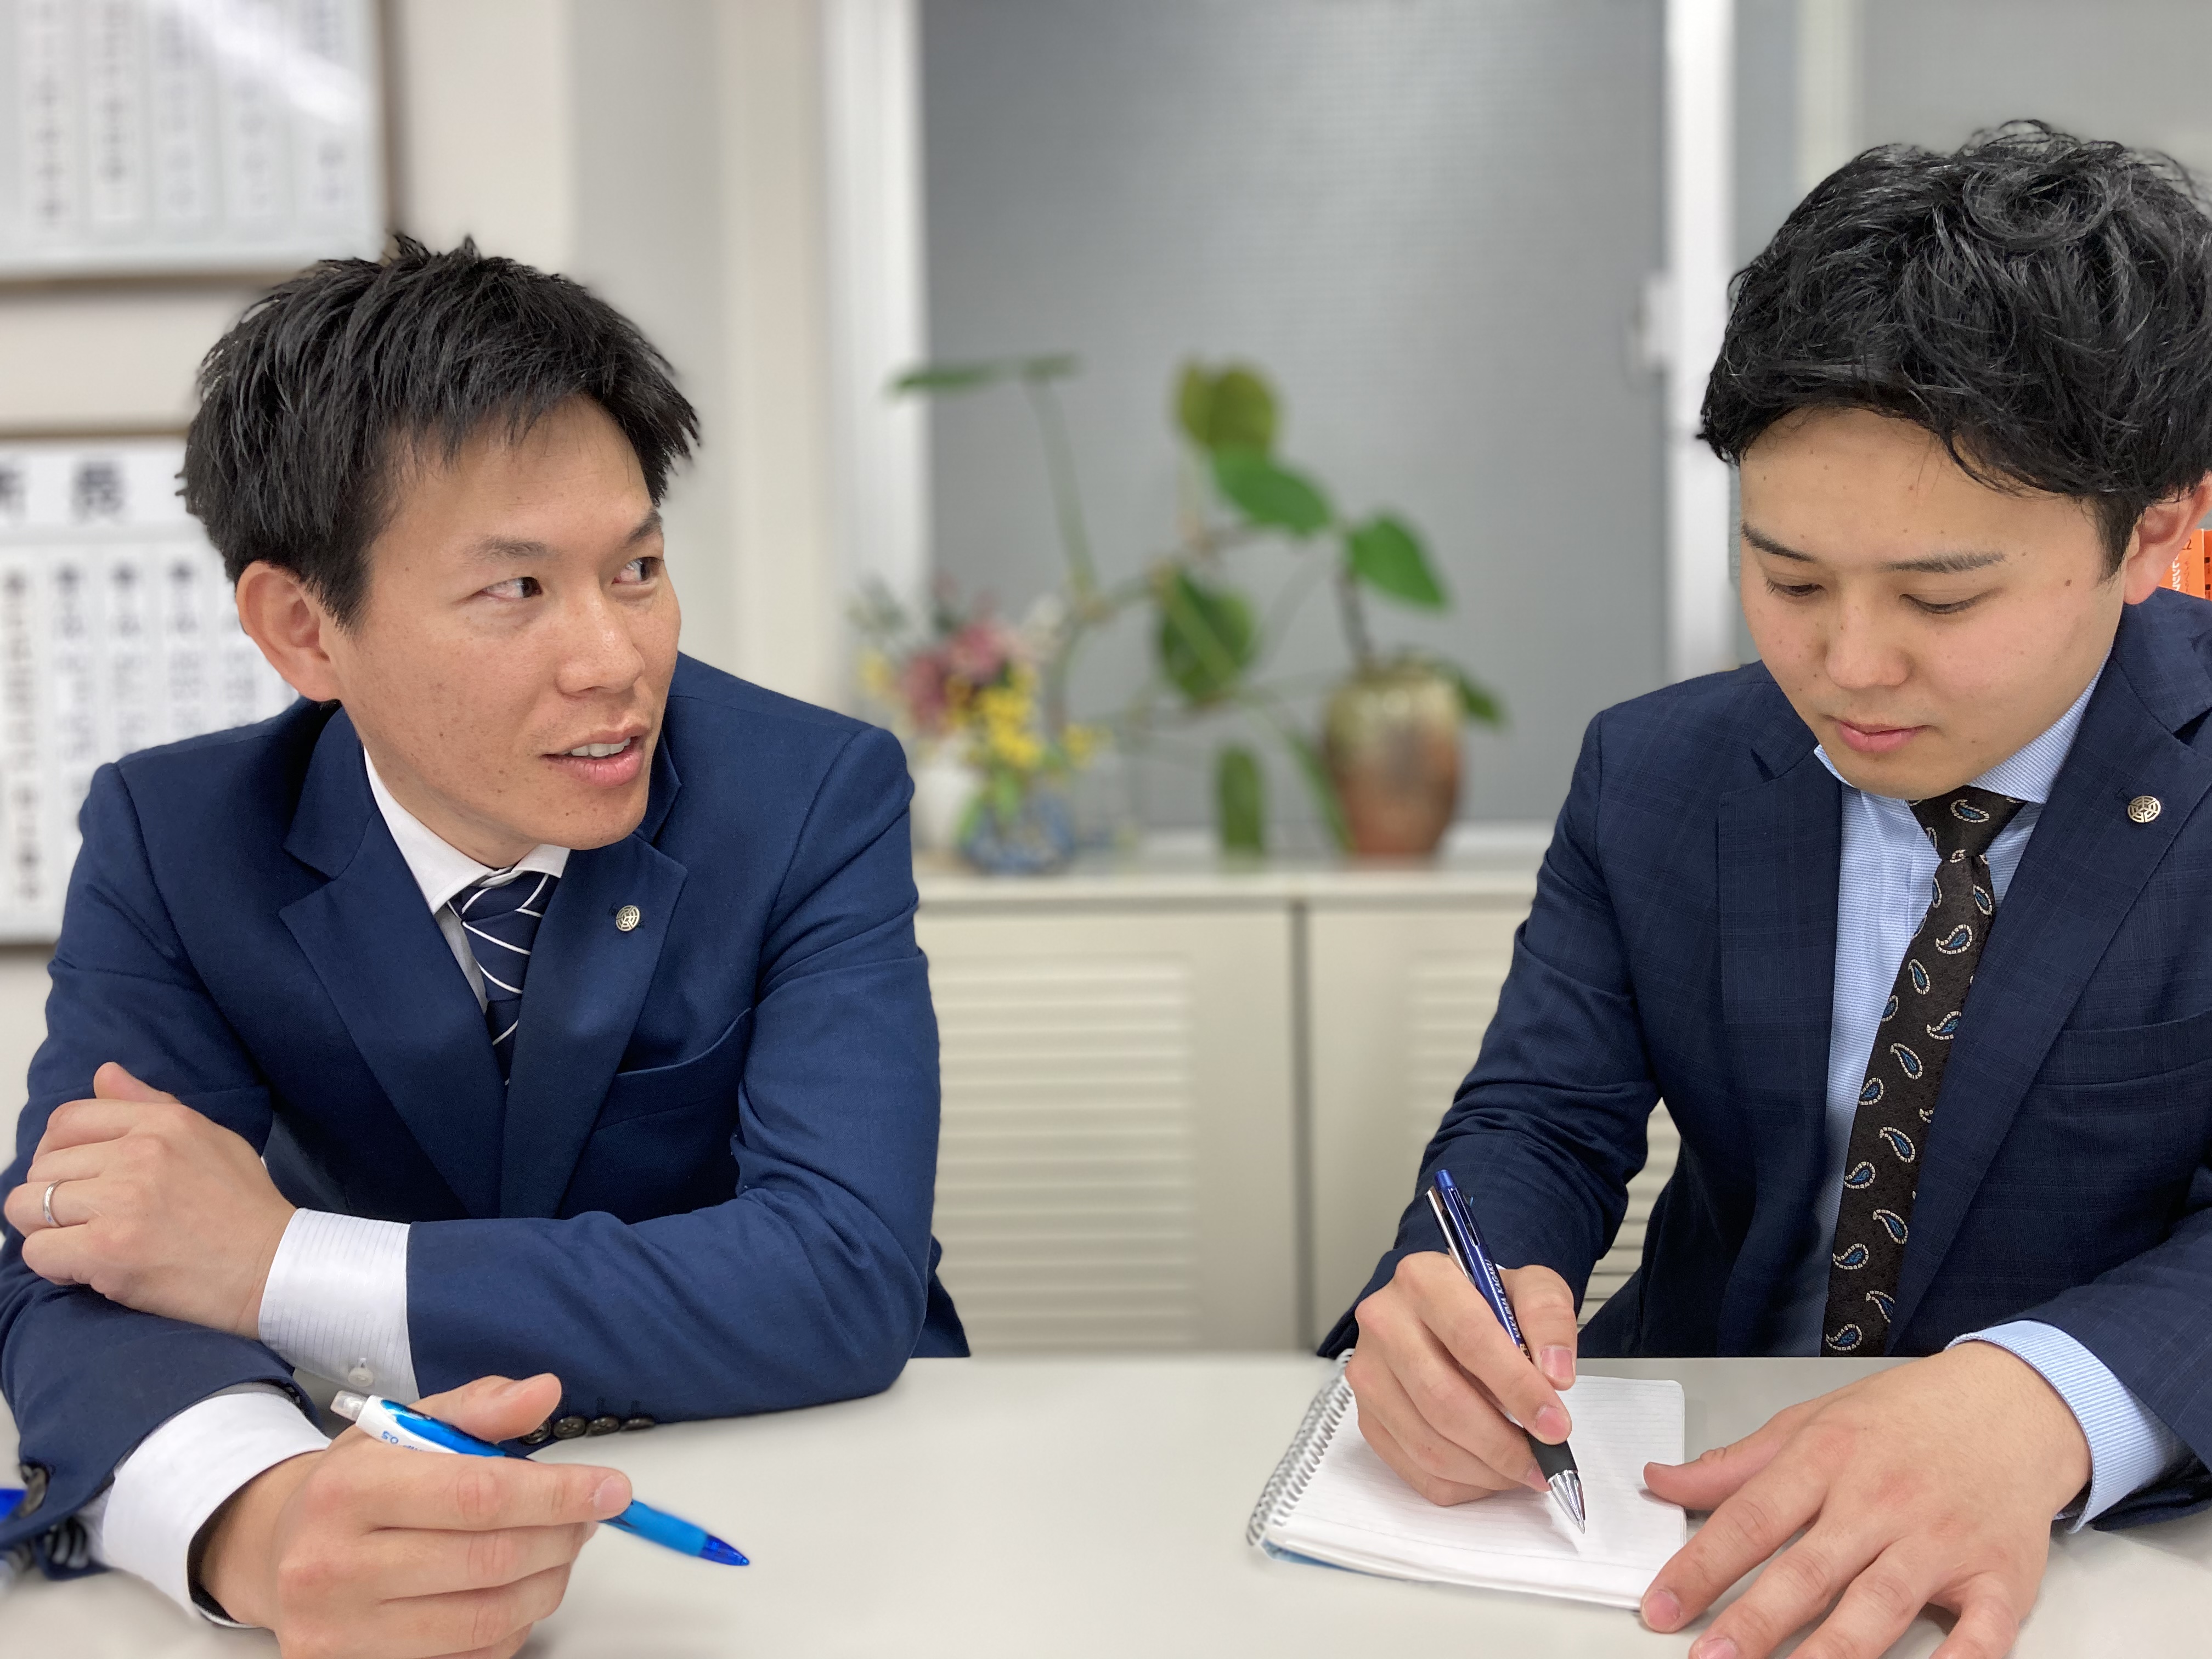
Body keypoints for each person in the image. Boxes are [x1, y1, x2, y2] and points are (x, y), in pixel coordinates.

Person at [0, 238, 965, 1655]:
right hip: (370, 1491)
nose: (615, 659)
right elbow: (81, 1251)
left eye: (638, 567)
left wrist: (280, 1265)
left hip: (815, 1506)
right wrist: (254, 1522)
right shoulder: (179, 839)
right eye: (517, 590)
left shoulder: (809, 796)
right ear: (303, 629)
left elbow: (840, 1272)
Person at [1331, 123, 2212, 1659]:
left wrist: (2045, 1400)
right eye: (1790, 579)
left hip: (2113, 1549)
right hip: (1678, 1502)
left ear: (2154, 533)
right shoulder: (1657, 773)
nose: (1848, 666)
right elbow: (1541, 1119)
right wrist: (1467, 1294)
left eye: (1943, 597)